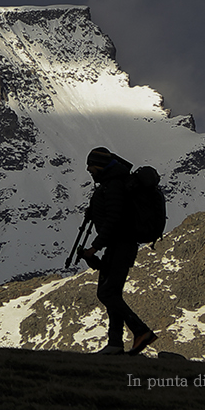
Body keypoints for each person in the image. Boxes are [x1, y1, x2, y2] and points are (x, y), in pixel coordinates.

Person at [78, 145, 157, 355]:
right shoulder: (112, 183)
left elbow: (114, 219)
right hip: (119, 245)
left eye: (91, 165)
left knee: (107, 292)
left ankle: (141, 331)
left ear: (100, 166)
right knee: (111, 292)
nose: (89, 170)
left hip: (121, 244)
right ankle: (115, 344)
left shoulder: (113, 185)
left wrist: (95, 247)